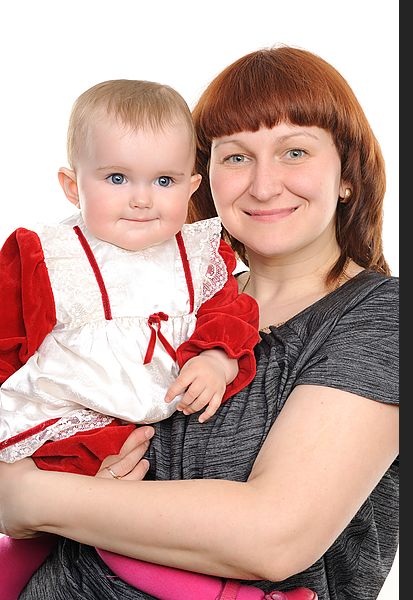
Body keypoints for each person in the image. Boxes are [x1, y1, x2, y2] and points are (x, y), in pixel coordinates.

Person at [0, 46, 399, 600]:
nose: (263, 185)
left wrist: (30, 498)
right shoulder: (163, 300)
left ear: (347, 175)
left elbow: (275, 536)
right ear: (203, 179)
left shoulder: (386, 315)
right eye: (236, 157)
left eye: (295, 151)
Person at [0, 79, 259, 598]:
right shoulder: (47, 254)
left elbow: (232, 312)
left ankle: (231, 591)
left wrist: (216, 358)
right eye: (117, 177)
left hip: (154, 423)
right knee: (64, 524)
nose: (142, 199)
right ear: (73, 186)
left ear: (191, 187)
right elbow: (7, 339)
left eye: (163, 180)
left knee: (140, 528)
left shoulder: (201, 253)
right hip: (67, 420)